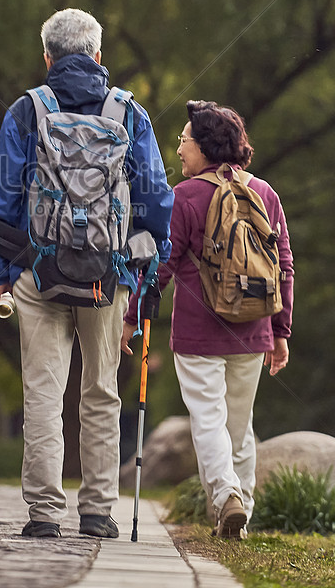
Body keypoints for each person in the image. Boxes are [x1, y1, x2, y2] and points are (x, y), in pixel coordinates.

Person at [0, 8, 173, 539]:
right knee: (101, 393)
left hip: (38, 274)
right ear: (98, 56)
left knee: (41, 393)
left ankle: (44, 514)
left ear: (47, 57)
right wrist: (140, 281)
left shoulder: (27, 110)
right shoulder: (129, 114)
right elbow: (157, 206)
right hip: (107, 278)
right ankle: (97, 512)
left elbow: (2, 201)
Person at [123, 100, 293, 540]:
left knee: (208, 419)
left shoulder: (185, 197)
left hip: (200, 330)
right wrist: (280, 330)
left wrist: (133, 316)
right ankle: (241, 512)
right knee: (239, 424)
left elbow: (161, 265)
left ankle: (225, 497)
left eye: (184, 140)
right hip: (254, 330)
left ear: (205, 147)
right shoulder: (265, 193)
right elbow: (284, 265)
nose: (179, 148)